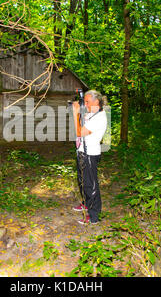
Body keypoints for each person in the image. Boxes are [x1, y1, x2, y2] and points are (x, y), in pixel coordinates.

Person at [71, 90, 108, 225]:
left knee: (90, 185)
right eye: (84, 102)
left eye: (87, 102)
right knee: (81, 181)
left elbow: (80, 131)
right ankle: (86, 203)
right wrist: (80, 110)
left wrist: (75, 113)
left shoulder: (100, 117)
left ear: (96, 101)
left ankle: (94, 216)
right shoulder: (92, 114)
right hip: (82, 152)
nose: (85, 104)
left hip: (90, 154)